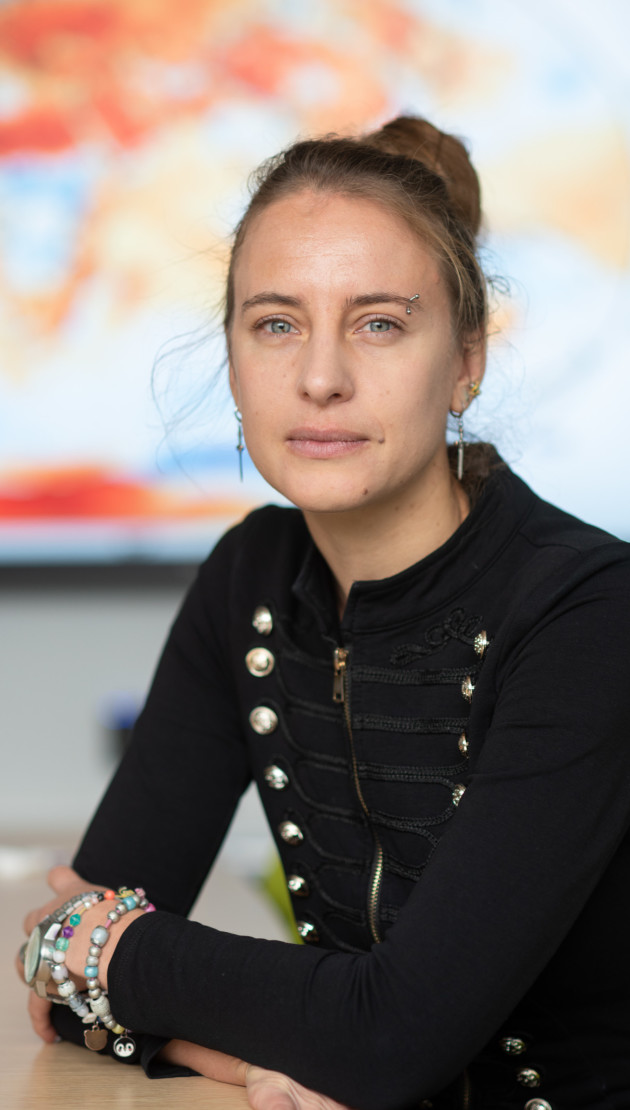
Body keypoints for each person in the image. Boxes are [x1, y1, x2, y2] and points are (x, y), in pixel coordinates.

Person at [17, 116, 630, 1110]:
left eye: (379, 323)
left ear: (466, 360)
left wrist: (117, 959)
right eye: (276, 324)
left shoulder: (588, 612)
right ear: (232, 357)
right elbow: (67, 988)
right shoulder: (248, 579)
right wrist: (255, 1056)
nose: (320, 379)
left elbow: (389, 1036)